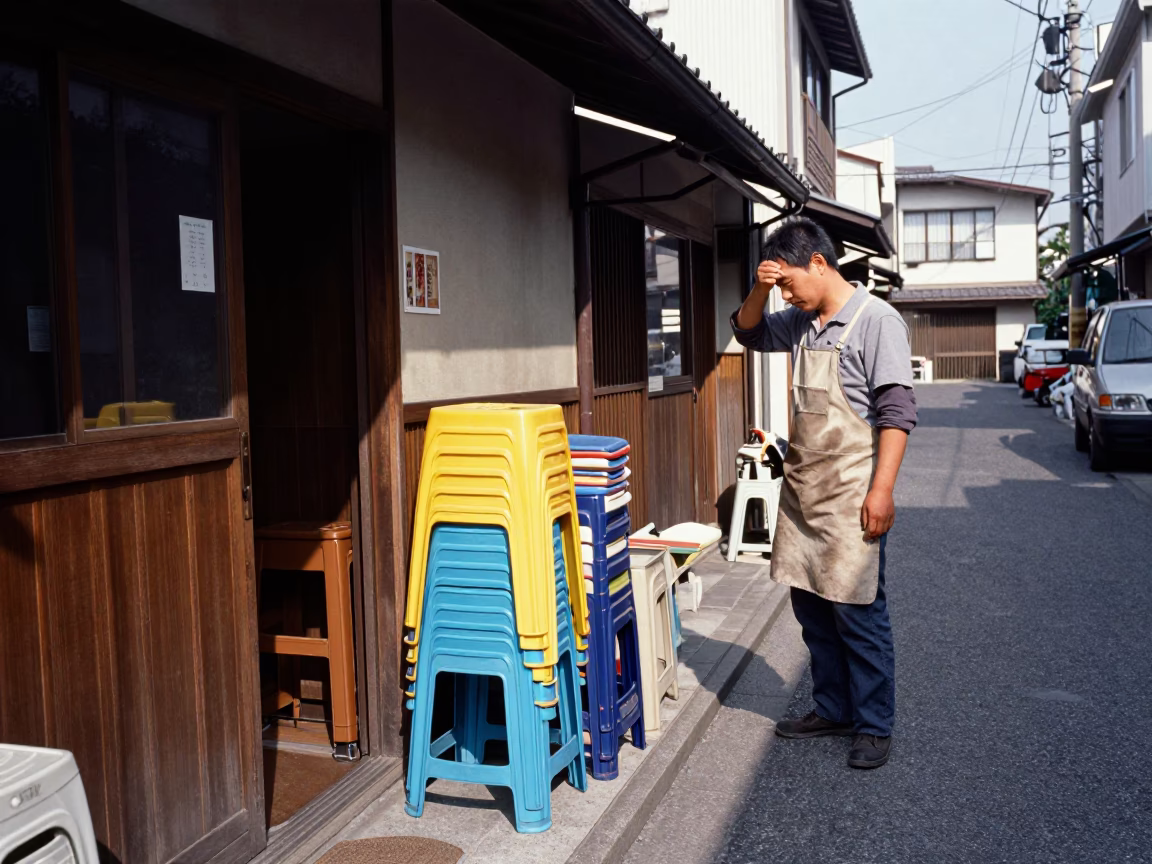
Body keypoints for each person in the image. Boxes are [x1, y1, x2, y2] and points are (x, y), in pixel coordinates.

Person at [730, 217, 916, 769]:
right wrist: (763, 288)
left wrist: (882, 491)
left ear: (818, 262)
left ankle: (874, 725)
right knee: (812, 611)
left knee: (859, 612)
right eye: (778, 288)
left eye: (788, 281)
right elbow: (748, 332)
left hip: (854, 495)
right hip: (807, 491)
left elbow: (897, 413)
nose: (785, 294)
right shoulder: (803, 321)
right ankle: (832, 708)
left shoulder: (876, 320)